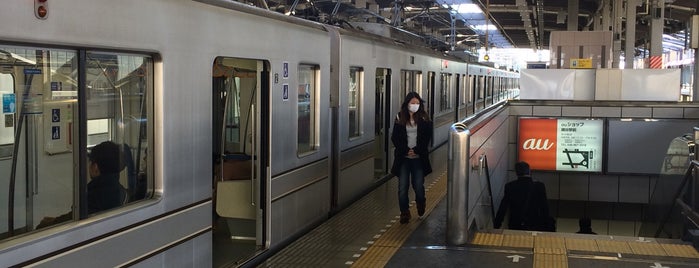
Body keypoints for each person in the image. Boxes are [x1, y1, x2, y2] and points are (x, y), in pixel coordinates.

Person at [37, 141, 126, 229]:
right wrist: (56, 220)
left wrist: (50, 224)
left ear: (95, 168)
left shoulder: (94, 196)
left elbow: (78, 223)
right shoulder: (121, 191)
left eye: (90, 162)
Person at [390, 92, 433, 224]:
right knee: (402, 187)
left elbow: (426, 137)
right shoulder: (399, 117)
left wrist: (416, 150)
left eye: (417, 103)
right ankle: (404, 212)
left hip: (418, 158)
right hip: (403, 158)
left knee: (418, 185)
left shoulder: (425, 118)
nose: (415, 105)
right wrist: (405, 151)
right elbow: (395, 137)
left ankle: (421, 202)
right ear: (407, 103)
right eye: (412, 103)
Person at [494, 161, 552, 231]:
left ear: (516, 173)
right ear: (529, 171)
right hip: (534, 225)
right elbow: (544, 207)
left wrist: (497, 225)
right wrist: (547, 225)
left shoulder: (510, 186)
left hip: (515, 225)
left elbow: (503, 207)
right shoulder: (539, 186)